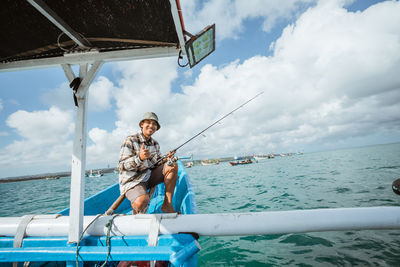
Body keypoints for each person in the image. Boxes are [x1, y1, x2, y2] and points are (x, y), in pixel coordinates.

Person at [118, 112, 178, 214]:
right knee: (142, 202)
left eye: (154, 124)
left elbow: (156, 163)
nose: (151, 126)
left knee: (172, 165)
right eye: (148, 122)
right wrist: (139, 158)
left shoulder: (155, 143)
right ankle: (136, 207)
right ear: (142, 124)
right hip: (132, 180)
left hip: (148, 176)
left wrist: (166, 158)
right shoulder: (130, 140)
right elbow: (121, 166)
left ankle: (167, 205)